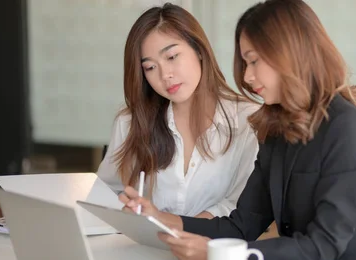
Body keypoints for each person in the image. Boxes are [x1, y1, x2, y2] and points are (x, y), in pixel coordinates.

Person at [120, 0, 356, 260]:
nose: (247, 77)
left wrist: (220, 256)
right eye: (245, 63)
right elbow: (242, 225)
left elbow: (323, 243)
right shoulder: (276, 127)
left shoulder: (345, 126)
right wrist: (161, 219)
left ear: (290, 55)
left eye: (254, 62)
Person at [98, 3, 260, 218]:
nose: (165, 75)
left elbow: (245, 208)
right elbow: (107, 194)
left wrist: (179, 230)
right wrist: (127, 208)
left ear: (199, 50)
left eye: (172, 57)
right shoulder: (130, 122)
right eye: (150, 67)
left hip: (214, 248)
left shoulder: (250, 121)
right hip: (142, 247)